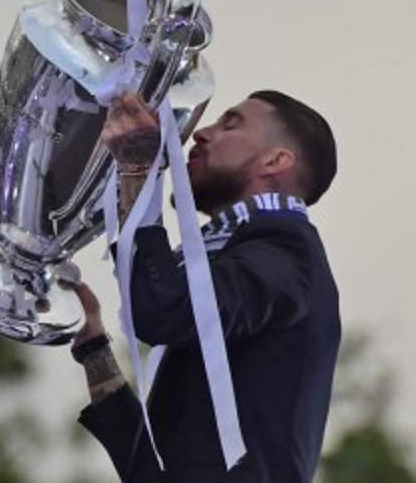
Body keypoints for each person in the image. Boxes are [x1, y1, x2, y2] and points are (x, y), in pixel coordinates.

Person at [62, 90, 340, 482]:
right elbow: (155, 466)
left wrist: (137, 171)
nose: (200, 134)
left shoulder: (287, 254)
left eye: (231, 124)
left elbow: (164, 311)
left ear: (275, 161)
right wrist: (93, 350)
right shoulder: (247, 258)